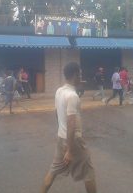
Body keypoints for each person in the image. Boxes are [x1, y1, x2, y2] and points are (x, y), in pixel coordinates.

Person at [41, 62, 96, 193]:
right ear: (75, 75)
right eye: (80, 74)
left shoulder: (59, 91)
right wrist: (70, 150)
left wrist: (61, 131)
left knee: (53, 170)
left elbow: (57, 114)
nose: (81, 77)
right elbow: (71, 124)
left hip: (61, 137)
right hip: (73, 141)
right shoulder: (73, 96)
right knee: (88, 172)